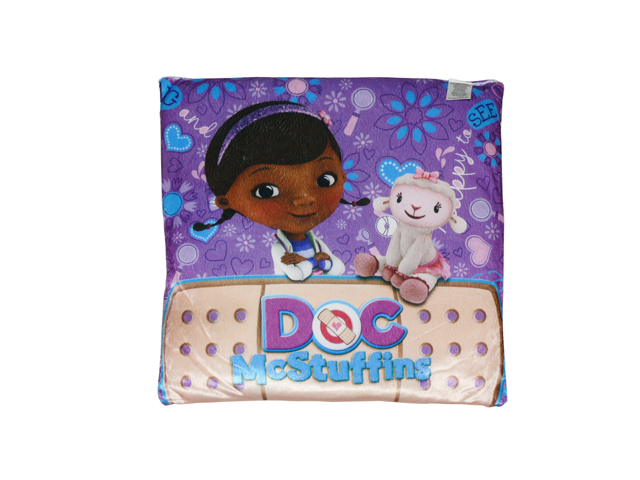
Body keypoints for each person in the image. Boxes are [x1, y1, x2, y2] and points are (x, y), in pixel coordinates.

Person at [194, 101, 369, 281]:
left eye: (325, 180)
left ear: (342, 177)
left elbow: (338, 268)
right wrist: (317, 260)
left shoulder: (315, 241)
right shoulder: (279, 248)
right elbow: (295, 274)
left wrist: (309, 261)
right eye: (266, 191)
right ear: (226, 201)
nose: (304, 199)